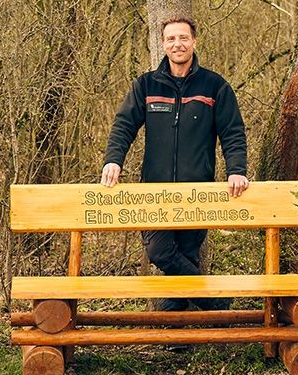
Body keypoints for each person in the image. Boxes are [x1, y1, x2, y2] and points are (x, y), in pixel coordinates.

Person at [100, 16, 248, 312]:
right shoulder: (146, 84)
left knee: (186, 255)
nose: (177, 44)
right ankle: (216, 302)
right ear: (163, 44)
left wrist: (236, 170)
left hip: (198, 190)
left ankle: (176, 333)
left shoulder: (214, 86)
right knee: (160, 251)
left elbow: (232, 132)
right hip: (154, 192)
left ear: (194, 41)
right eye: (170, 39)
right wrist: (113, 160)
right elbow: (124, 125)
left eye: (183, 38)